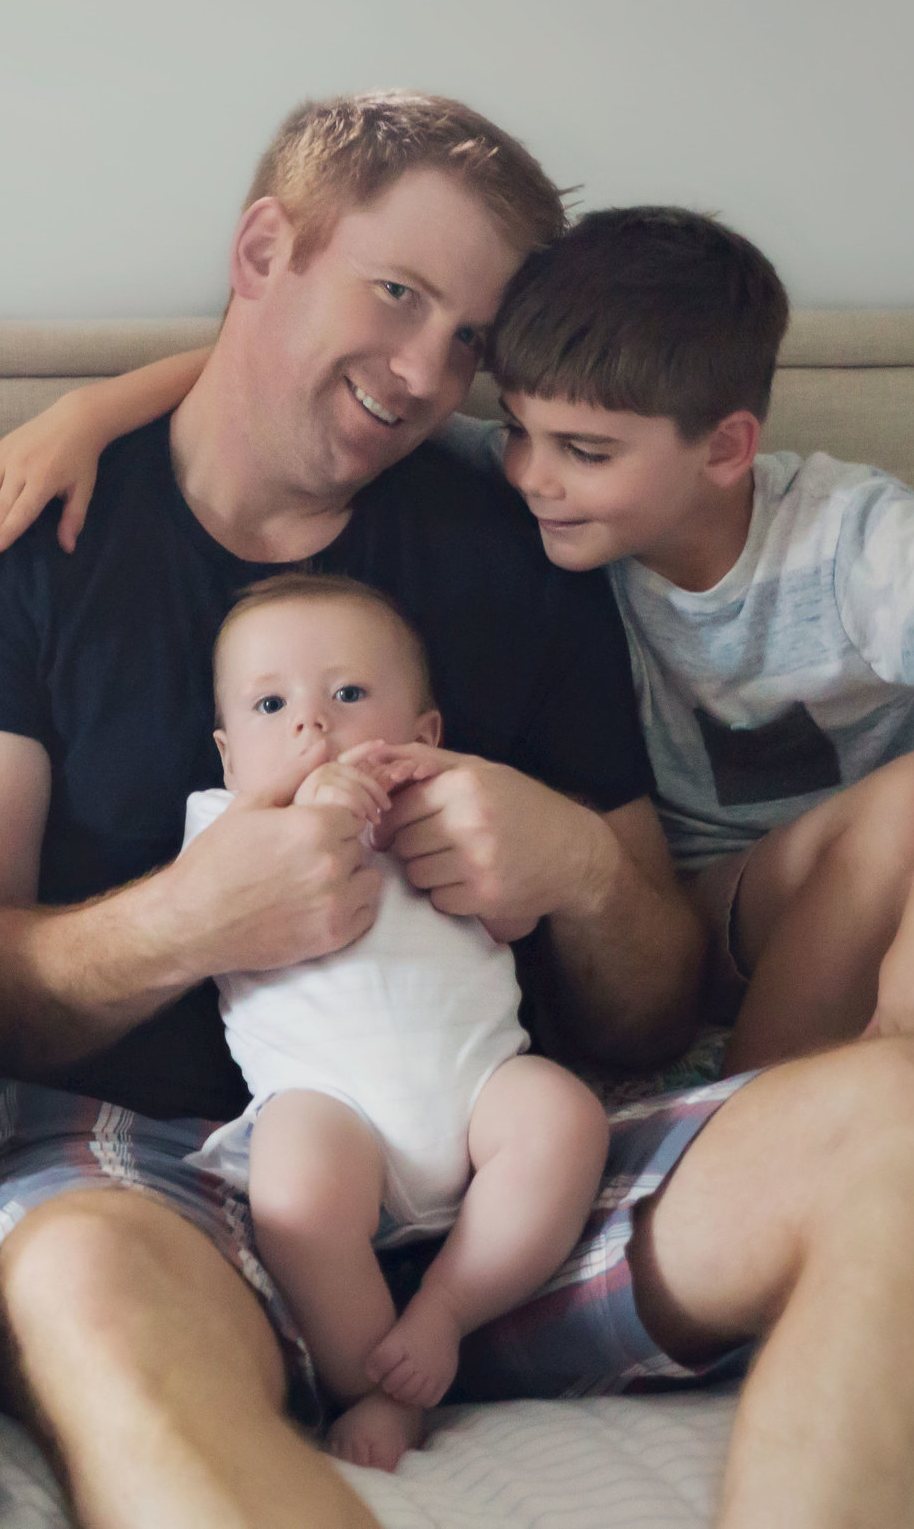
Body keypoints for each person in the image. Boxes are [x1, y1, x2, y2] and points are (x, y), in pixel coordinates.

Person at [0, 90, 914, 1529]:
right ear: (266, 250)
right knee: (75, 1280)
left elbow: (648, 1003)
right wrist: (182, 921)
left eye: (470, 341)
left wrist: (575, 869)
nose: (424, 372)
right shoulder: (20, 535)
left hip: (525, 1171)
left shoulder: (526, 530)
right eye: (395, 294)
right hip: (168, 1176)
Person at [478, 207, 914, 1193]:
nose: (534, 475)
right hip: (716, 935)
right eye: (517, 428)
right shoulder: (522, 504)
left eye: (585, 450)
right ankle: (744, 1133)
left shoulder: (837, 530)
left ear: (726, 447)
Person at [184, 574, 607, 1470]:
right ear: (227, 757)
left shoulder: (452, 811)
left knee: (565, 1117)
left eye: (347, 694)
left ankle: (446, 1311)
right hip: (332, 1114)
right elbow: (208, 927)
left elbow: (510, 917)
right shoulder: (223, 828)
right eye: (271, 704)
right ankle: (376, 1384)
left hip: (480, 1087)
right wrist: (323, 812)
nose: (311, 724)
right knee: (293, 1193)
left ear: (424, 736)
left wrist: (513, 877)